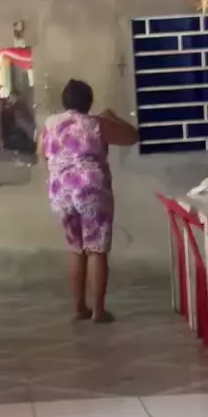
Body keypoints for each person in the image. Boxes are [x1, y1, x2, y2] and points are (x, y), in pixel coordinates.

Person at [38, 79, 138, 322]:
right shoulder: (95, 123)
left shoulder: (50, 124)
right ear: (88, 101)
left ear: (64, 101)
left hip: (60, 192)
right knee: (97, 249)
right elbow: (132, 136)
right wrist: (112, 116)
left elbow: (42, 154)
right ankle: (98, 311)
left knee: (75, 249)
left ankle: (78, 308)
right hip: (91, 191)